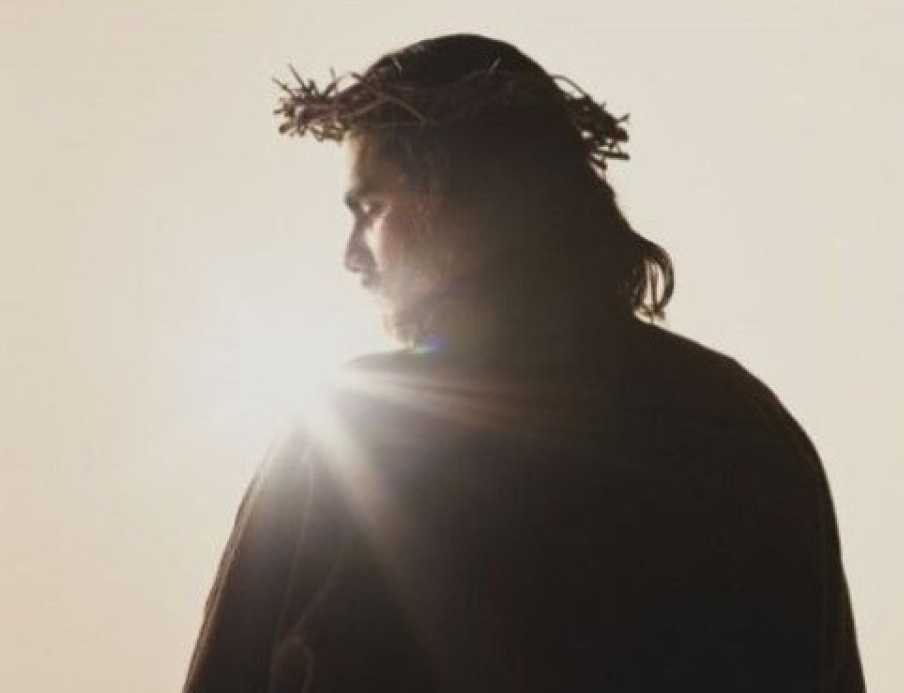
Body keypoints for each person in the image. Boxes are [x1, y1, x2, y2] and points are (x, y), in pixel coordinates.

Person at [184, 34, 864, 692]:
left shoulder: (352, 435)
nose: (352, 255)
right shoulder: (744, 430)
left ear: (462, 201)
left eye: (370, 208)